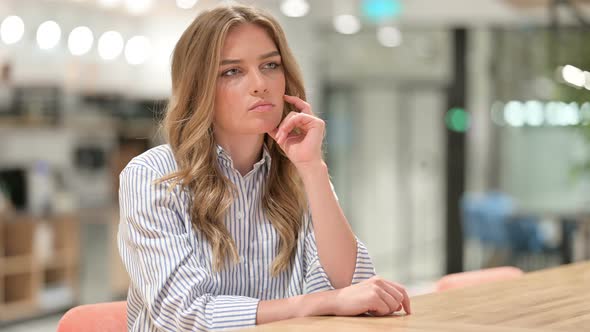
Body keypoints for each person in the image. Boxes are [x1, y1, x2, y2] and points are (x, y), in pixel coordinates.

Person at [118, 4, 411, 331]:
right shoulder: (154, 176)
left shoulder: (297, 173)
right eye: (232, 71)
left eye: (270, 65)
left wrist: (313, 169)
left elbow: (349, 286)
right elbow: (185, 314)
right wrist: (313, 303)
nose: (260, 84)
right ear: (199, 88)